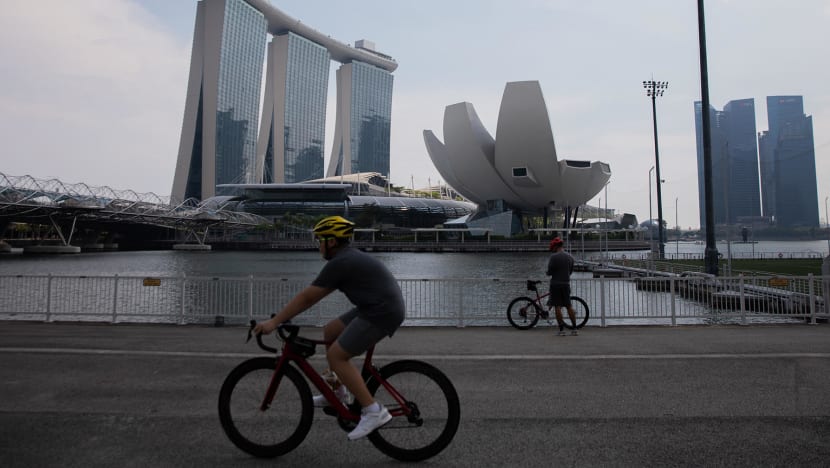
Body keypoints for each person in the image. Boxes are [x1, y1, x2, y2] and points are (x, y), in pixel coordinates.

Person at [253, 215, 406, 440]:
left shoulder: (341, 263)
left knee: (337, 356)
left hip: (382, 311)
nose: (318, 245)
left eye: (320, 240)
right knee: (331, 332)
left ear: (332, 241)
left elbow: (308, 298)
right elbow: (309, 297)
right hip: (374, 306)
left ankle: (374, 411)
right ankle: (337, 391)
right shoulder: (346, 258)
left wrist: (274, 322)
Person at [546, 236, 578, 336]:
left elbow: (550, 272)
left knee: (557, 307)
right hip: (566, 284)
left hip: (555, 284)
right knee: (569, 306)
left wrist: (548, 273)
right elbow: (570, 271)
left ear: (555, 246)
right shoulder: (570, 257)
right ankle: (574, 329)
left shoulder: (553, 257)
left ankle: (561, 330)